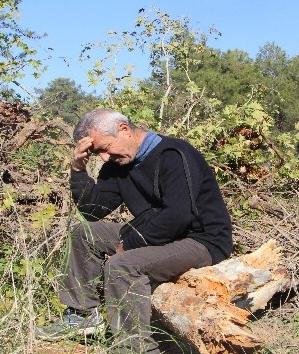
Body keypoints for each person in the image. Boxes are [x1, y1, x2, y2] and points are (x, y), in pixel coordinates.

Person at [35, 108, 233, 353]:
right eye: (96, 152)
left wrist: (131, 242)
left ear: (124, 129)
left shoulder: (173, 154)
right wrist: (78, 170)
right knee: (84, 233)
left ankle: (136, 348)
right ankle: (82, 315)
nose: (104, 158)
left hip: (202, 240)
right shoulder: (117, 164)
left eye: (105, 147)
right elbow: (92, 211)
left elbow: (178, 215)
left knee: (122, 265)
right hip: (162, 237)